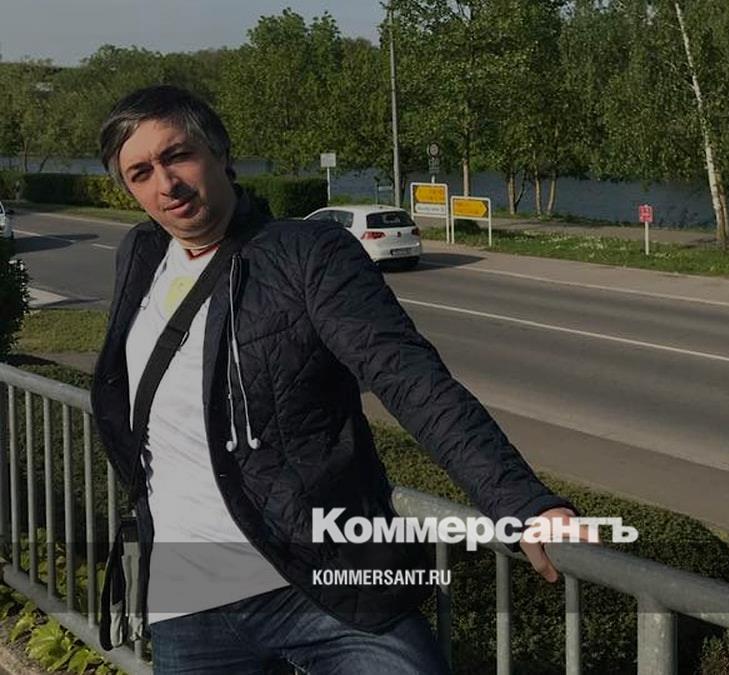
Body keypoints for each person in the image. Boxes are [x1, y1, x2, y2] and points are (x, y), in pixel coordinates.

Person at [90, 85, 578, 674]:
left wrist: (520, 501)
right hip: (189, 600)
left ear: (219, 152)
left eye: (178, 156)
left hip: (323, 582)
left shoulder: (307, 254)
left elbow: (409, 378)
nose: (166, 184)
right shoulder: (141, 254)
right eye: (141, 173)